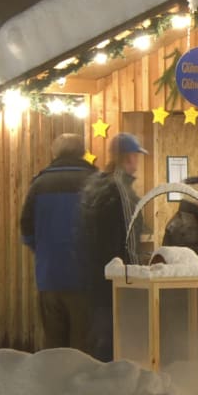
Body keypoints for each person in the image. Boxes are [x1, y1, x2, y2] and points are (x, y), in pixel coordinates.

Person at [19, 134, 97, 351]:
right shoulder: (95, 182)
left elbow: (26, 228)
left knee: (53, 346)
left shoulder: (39, 184)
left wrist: (44, 252)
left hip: (49, 277)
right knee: (83, 348)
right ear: (82, 152)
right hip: (86, 278)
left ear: (55, 152)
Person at [79, 132, 147, 362]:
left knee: (100, 341)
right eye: (136, 156)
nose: (137, 162)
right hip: (118, 280)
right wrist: (136, 277)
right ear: (129, 157)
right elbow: (129, 239)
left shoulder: (93, 186)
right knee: (117, 345)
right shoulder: (121, 190)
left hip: (93, 277)